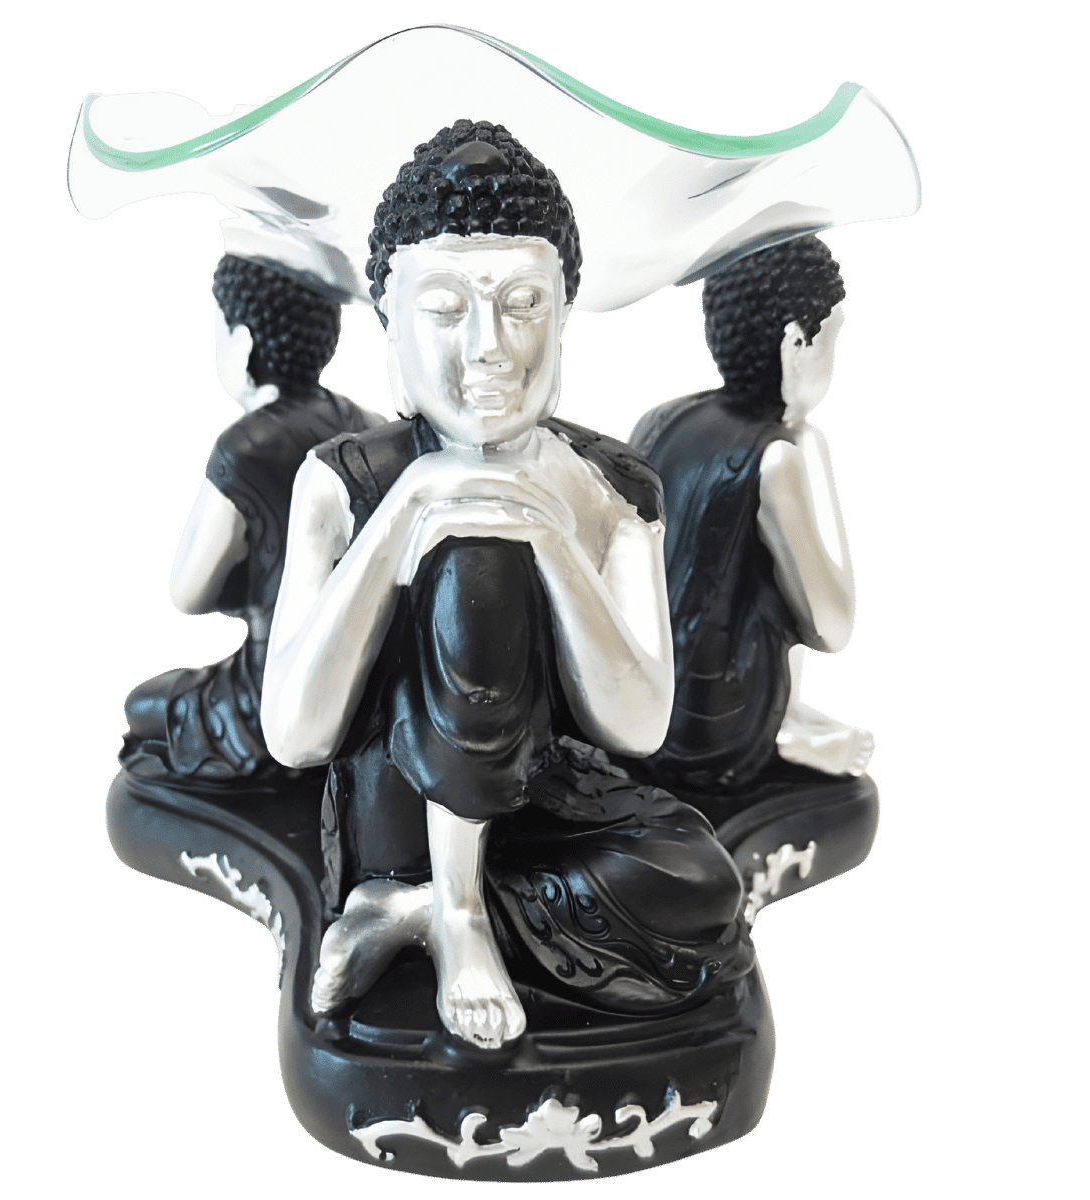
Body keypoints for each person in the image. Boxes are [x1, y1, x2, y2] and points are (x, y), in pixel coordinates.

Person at [260, 121, 750, 1049]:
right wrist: (409, 510)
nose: (489, 347)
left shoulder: (615, 487)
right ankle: (453, 911)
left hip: (547, 799)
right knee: (472, 559)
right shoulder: (341, 480)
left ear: (563, 314)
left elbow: (638, 727)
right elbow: (296, 733)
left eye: (522, 303)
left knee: (700, 884)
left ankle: (413, 912)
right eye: (446, 307)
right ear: (389, 318)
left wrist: (554, 540)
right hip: (396, 804)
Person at [627, 236, 875, 795]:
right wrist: (813, 452)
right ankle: (776, 732)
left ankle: (785, 718)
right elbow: (833, 627)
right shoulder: (777, 458)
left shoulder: (662, 417)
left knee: (742, 555)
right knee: (780, 579)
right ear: (795, 343)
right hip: (707, 729)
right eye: (832, 338)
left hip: (640, 709)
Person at [120, 256, 384, 781]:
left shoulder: (244, 447)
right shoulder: (369, 425)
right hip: (364, 678)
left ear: (241, 343)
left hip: (272, 685)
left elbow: (189, 592)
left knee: (143, 707)